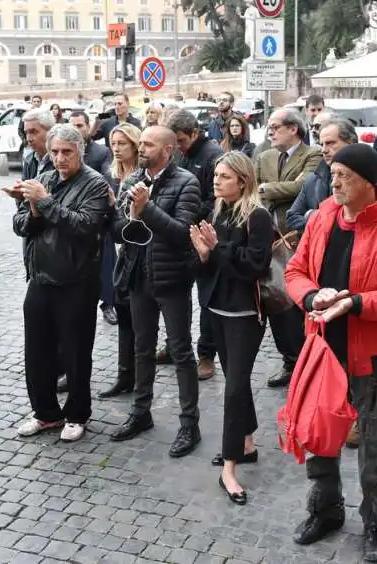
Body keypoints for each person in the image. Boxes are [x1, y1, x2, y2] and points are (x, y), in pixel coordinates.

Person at [285, 143, 377, 562]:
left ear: (369, 182)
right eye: (334, 173)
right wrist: (312, 296)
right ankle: (326, 509)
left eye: (344, 175)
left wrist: (358, 303)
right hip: (324, 348)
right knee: (321, 433)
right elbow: (295, 271)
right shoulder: (323, 217)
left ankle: (376, 523)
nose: (335, 182)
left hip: (376, 354)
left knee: (376, 444)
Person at [109, 126, 203, 459]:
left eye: (149, 144)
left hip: (172, 278)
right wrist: (133, 216)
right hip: (138, 276)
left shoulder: (187, 182)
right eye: (142, 143)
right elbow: (117, 232)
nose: (142, 148)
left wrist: (146, 209)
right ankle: (141, 412)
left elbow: (181, 233)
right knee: (142, 347)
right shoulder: (133, 179)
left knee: (180, 351)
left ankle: (189, 422)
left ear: (168, 149)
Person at [13, 124, 110, 443]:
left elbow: (84, 226)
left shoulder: (94, 183)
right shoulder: (44, 179)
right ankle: (45, 413)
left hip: (77, 281)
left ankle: (77, 414)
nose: (59, 158)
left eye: (66, 152)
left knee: (76, 352)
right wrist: (33, 208)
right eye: (54, 152)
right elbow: (21, 226)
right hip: (40, 278)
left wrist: (46, 204)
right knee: (37, 351)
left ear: (79, 151)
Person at [191, 151, 273, 505]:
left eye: (224, 176)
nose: (216, 181)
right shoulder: (218, 210)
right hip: (217, 309)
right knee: (234, 382)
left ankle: (229, 467)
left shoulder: (258, 216)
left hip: (244, 314)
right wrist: (205, 256)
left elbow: (253, 265)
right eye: (216, 176)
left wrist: (216, 250)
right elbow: (212, 266)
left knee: (235, 386)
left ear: (243, 179)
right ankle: (248, 444)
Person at [257, 108, 322, 388]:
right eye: (269, 127)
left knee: (297, 302)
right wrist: (268, 189)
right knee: (274, 299)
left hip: (297, 239)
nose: (270, 132)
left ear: (293, 128)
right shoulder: (265, 156)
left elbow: (301, 187)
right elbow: (254, 187)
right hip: (268, 239)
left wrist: (266, 189)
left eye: (275, 126)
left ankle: (305, 361)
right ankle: (289, 360)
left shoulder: (312, 155)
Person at [168, 109, 225, 380]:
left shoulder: (213, 155)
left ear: (194, 133)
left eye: (180, 140)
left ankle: (206, 354)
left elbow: (217, 198)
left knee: (205, 298)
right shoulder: (180, 154)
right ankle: (174, 345)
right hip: (181, 232)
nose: (177, 147)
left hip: (203, 232)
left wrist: (188, 212)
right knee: (175, 292)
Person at [98, 123, 144, 399]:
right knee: (124, 314)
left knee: (141, 321)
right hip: (121, 250)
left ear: (135, 145)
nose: (116, 148)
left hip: (141, 250)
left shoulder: (142, 176)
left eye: (122, 143)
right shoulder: (111, 174)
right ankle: (124, 375)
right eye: (113, 143)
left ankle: (140, 377)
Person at [70, 110, 117, 326]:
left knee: (106, 263)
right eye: (73, 126)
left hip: (98, 217)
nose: (77, 130)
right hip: (73, 218)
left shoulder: (101, 152)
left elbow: (108, 177)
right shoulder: (66, 151)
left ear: (89, 127)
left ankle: (108, 304)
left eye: (80, 126)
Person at [286, 116, 355, 233]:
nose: (323, 150)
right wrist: (315, 220)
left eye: (330, 143)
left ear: (350, 142)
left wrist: (311, 215)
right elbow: (292, 216)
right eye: (321, 144)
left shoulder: (363, 178)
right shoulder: (312, 180)